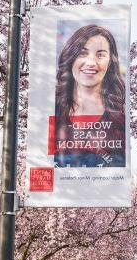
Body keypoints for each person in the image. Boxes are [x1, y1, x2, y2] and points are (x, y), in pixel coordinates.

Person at [53, 24, 126, 167]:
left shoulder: (119, 120)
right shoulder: (51, 111)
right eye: (82, 53)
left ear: (110, 62)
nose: (91, 63)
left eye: (101, 55)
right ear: (71, 57)